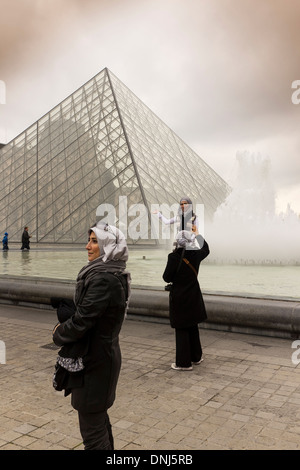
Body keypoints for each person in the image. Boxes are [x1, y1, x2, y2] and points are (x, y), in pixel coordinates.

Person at [52, 222, 131, 450]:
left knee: (93, 433)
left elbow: (81, 322)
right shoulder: (111, 273)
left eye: (94, 241)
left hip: (95, 364)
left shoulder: (103, 279)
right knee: (98, 423)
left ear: (109, 246)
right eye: (89, 240)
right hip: (102, 358)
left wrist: (58, 333)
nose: (87, 246)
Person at [162, 228, 209, 371]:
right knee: (192, 324)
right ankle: (196, 357)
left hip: (179, 297)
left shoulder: (173, 257)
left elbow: (166, 277)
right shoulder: (195, 254)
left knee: (182, 327)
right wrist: (198, 233)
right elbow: (206, 249)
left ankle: (183, 363)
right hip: (193, 295)